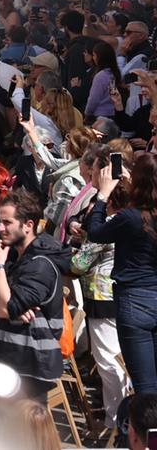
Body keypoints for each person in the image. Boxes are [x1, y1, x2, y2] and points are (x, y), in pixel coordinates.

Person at [0, 190, 71, 399]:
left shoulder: (40, 265)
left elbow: (6, 305)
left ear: (28, 225)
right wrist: (3, 306)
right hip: (9, 359)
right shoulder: (14, 256)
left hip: (30, 365)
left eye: (7, 222)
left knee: (27, 428)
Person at [85, 149, 157, 401]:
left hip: (134, 302)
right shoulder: (137, 216)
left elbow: (94, 232)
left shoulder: (130, 218)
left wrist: (103, 195)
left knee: (146, 388)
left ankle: (148, 438)